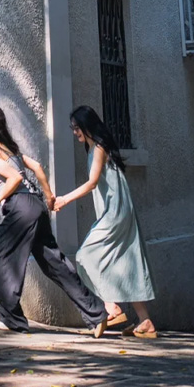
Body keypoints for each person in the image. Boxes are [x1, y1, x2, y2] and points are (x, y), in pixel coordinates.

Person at [0, 102, 108, 336]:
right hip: (35, 204)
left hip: (21, 207)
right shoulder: (9, 148)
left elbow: (14, 179)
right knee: (54, 264)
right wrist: (48, 197)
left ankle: (10, 319)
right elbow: (36, 167)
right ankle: (97, 313)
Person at [54, 105, 158, 339]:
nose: (74, 132)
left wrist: (65, 199)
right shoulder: (93, 147)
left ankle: (112, 307)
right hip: (117, 211)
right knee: (125, 263)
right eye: (72, 128)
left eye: (76, 127)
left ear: (86, 125)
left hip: (115, 214)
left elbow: (92, 183)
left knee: (85, 255)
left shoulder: (99, 147)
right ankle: (145, 321)